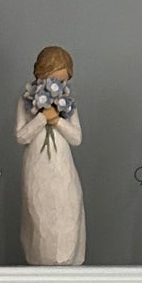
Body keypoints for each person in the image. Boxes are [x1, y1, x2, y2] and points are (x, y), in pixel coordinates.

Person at [16, 45, 85, 266]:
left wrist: (57, 120)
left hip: (62, 165)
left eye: (63, 81)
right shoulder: (26, 102)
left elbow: (76, 138)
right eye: (54, 79)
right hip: (37, 165)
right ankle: (41, 258)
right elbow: (21, 136)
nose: (57, 86)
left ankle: (67, 256)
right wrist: (40, 119)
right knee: (39, 208)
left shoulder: (68, 104)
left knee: (67, 205)